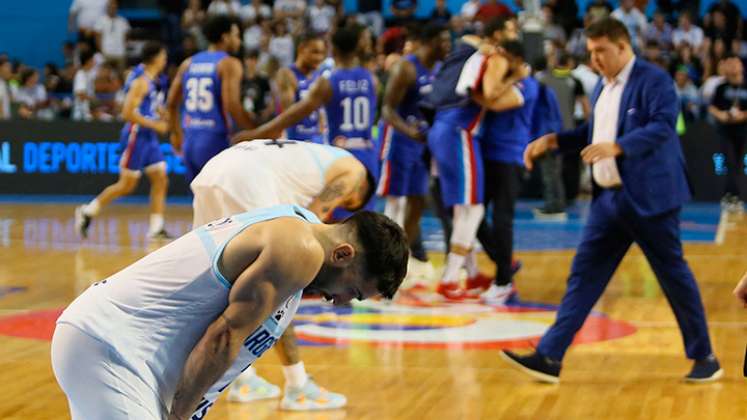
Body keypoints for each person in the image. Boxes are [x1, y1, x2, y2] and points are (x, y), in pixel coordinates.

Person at [503, 17, 722, 383]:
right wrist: (553, 141)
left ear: (623, 47)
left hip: (652, 199)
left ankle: (705, 357)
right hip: (609, 202)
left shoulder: (654, 80)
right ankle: (549, 356)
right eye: (591, 52)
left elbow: (663, 125)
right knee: (584, 276)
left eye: (601, 51)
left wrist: (619, 146)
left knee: (673, 277)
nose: (595, 59)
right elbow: (592, 136)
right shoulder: (601, 89)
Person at [52, 205, 408, 420]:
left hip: (111, 349)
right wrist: (179, 415)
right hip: (114, 349)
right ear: (343, 254)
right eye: (354, 290)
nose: (342, 301)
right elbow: (223, 337)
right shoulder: (301, 250)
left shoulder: (299, 229)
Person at [191, 140, 372, 409]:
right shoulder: (355, 173)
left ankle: (243, 380)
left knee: (218, 278)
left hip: (212, 172)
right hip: (247, 180)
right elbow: (317, 215)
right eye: (351, 203)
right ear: (363, 191)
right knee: (281, 283)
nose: (346, 204)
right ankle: (297, 385)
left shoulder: (315, 156)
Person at [424, 17, 526, 300]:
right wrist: (516, 75)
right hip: (459, 132)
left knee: (463, 210)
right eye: (508, 27)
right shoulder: (494, 57)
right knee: (473, 209)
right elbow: (491, 94)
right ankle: (449, 278)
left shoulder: (473, 52)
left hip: (444, 128)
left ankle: (469, 273)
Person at [234, 24, 379, 216]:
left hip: (339, 157)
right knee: (363, 221)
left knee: (323, 220)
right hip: (368, 156)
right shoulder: (373, 80)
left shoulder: (328, 81)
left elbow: (292, 114)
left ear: (333, 49)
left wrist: (254, 134)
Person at [377, 23, 450, 284]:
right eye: (443, 41)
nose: (448, 46)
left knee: (418, 200)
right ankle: (382, 264)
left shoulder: (439, 69)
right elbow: (387, 110)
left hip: (423, 144)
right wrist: (409, 131)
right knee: (395, 203)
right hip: (400, 142)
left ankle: (401, 256)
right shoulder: (405, 67)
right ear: (429, 42)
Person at [75, 42, 170, 239]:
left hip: (148, 137)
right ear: (155, 58)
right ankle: (87, 211)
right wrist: (156, 125)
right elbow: (127, 112)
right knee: (127, 185)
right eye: (163, 56)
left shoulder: (152, 79)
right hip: (136, 135)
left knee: (160, 178)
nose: (165, 60)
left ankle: (156, 228)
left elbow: (150, 105)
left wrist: (162, 114)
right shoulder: (141, 82)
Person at [473, 40, 538, 304]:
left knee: (502, 219)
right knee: (473, 216)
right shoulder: (506, 78)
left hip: (510, 156)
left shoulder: (527, 85)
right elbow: (489, 96)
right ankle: (504, 262)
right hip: (486, 154)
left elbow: (495, 102)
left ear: (517, 58)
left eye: (504, 56)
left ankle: (503, 282)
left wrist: (475, 95)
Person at [166, 15, 255, 182]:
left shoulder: (188, 63)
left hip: (190, 141)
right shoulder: (229, 63)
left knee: (200, 205)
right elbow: (232, 105)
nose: (239, 41)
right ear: (225, 37)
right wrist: (254, 130)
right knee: (227, 203)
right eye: (236, 35)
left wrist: (176, 134)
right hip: (214, 140)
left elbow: (171, 104)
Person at [708, 55, 747, 213]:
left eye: (735, 64)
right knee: (729, 162)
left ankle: (730, 195)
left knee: (738, 164)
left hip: (743, 132)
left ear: (741, 66)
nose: (732, 67)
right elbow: (711, 107)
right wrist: (721, 115)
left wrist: (742, 116)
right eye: (729, 64)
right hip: (725, 131)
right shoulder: (721, 87)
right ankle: (732, 196)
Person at [274, 34, 326, 143]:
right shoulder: (287, 74)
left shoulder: (318, 76)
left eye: (322, 53)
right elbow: (287, 113)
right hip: (296, 141)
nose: (319, 58)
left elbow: (320, 112)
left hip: (317, 140)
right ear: (301, 49)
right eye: (315, 52)